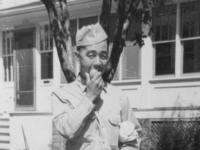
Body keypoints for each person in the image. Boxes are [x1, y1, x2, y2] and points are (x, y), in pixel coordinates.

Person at [51, 23, 142, 150]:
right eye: (91, 55)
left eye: (103, 56)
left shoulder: (119, 96)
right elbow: (67, 130)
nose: (98, 62)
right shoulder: (61, 95)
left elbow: (132, 141)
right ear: (78, 57)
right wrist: (89, 97)